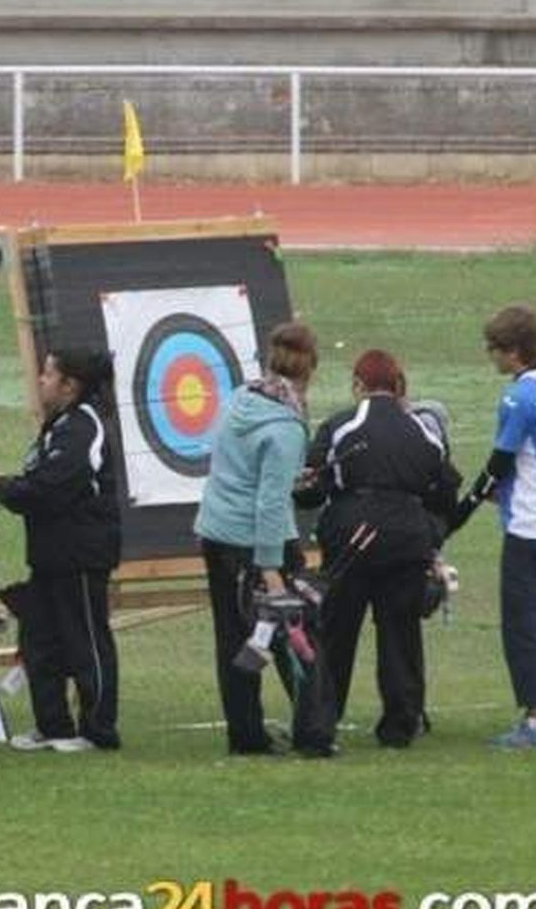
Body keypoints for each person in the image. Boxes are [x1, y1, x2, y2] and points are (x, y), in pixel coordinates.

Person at [295, 350, 460, 748]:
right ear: (398, 384)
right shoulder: (423, 431)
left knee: (337, 631)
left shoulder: (340, 425)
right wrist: (429, 534)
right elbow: (446, 491)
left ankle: (321, 723)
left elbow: (312, 489)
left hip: (352, 537)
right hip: (406, 539)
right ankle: (401, 725)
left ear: (358, 384)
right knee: (400, 632)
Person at [195, 321, 335, 757]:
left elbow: (244, 469)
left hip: (216, 532)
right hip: (255, 542)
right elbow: (270, 504)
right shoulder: (286, 426)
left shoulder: (242, 398)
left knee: (234, 639)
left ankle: (246, 735)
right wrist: (271, 568)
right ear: (309, 368)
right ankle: (313, 735)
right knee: (294, 630)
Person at [0, 348, 122, 753]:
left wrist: (6, 488)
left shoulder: (83, 427)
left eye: (48, 375)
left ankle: (97, 729)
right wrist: (10, 487)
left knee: (85, 640)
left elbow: (54, 487)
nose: (40, 380)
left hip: (81, 555)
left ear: (70, 385)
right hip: (49, 554)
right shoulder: (58, 424)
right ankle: (53, 725)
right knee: (39, 640)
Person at [453, 305, 536, 750]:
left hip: (532, 529)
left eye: (495, 349)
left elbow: (498, 465)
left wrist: (461, 512)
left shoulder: (519, 397)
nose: (491, 357)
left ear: (514, 352)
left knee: (527, 625)